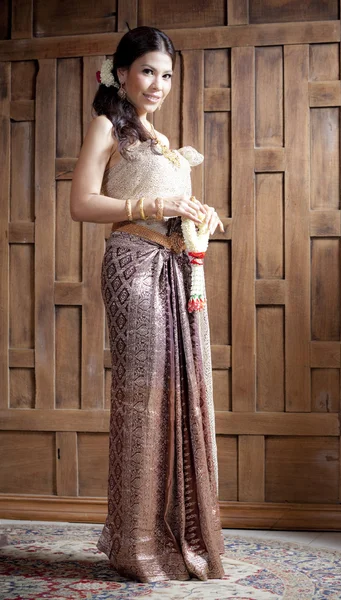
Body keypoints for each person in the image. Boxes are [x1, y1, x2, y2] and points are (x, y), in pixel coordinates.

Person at [70, 25, 225, 583]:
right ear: (122, 72)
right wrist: (153, 201)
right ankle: (137, 546)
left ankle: (171, 535)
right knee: (144, 402)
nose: (158, 83)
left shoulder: (157, 136)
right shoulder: (107, 125)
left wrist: (195, 215)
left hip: (174, 267)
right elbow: (82, 203)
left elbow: (164, 204)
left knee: (180, 396)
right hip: (134, 268)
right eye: (147, 71)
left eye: (166, 74)